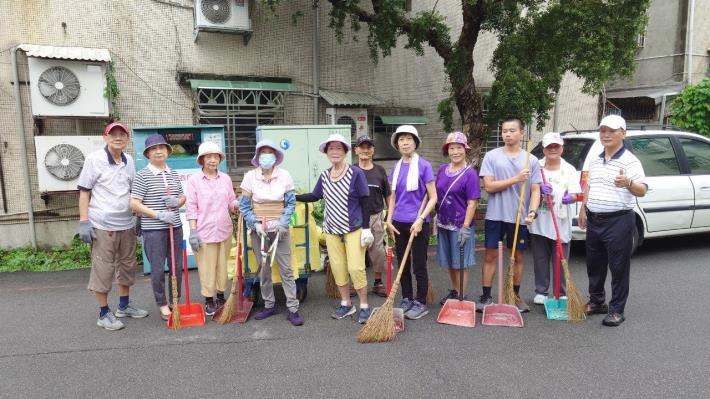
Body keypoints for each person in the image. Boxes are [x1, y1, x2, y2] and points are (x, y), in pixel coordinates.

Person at [296, 134, 373, 324]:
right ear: (326, 152)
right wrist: (293, 197)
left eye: (339, 148)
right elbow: (315, 196)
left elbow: (366, 201)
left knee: (356, 268)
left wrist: (366, 228)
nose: (335, 152)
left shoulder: (356, 173)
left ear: (345, 152)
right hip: (331, 230)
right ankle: (346, 303)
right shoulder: (324, 175)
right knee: (338, 268)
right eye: (332, 149)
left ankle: (364, 305)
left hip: (354, 228)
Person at [578, 115, 647, 327]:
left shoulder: (631, 161)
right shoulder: (596, 159)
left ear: (623, 134)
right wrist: (583, 208)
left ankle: (617, 309)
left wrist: (628, 183)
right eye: (603, 130)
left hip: (619, 221)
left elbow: (642, 190)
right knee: (594, 264)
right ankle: (597, 301)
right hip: (594, 219)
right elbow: (589, 186)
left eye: (612, 130)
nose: (606, 134)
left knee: (618, 267)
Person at [78, 122, 148, 331]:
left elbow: (132, 191)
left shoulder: (128, 161)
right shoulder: (94, 159)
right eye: (113, 134)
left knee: (127, 265)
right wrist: (84, 221)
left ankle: (124, 306)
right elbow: (84, 191)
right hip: (102, 224)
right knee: (103, 267)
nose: (118, 138)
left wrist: (138, 216)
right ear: (105, 137)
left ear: (127, 139)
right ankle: (103, 312)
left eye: (122, 134)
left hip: (126, 223)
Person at [478, 117, 542, 313]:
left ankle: (514, 295)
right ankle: (486, 296)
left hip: (518, 217)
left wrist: (532, 211)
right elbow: (488, 186)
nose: (507, 134)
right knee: (490, 256)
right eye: (504, 130)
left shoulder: (530, 159)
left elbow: (536, 190)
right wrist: (515, 178)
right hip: (495, 216)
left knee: (518, 257)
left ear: (521, 133)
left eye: (512, 130)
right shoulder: (491, 156)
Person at [239, 139, 304, 326]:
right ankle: (269, 305)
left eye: (270, 152)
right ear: (258, 156)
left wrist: (283, 223)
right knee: (264, 269)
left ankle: (293, 308)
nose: (266, 156)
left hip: (280, 228)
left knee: (286, 269)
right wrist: (255, 223)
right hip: (259, 229)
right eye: (263, 152)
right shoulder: (250, 176)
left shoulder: (285, 176)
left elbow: (290, 203)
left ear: (275, 157)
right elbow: (244, 205)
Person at [130, 134, 185, 321]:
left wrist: (177, 201)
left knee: (177, 267)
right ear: (148, 154)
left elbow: (182, 196)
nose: (158, 151)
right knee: (158, 269)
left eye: (161, 147)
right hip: (154, 230)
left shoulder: (173, 173)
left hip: (175, 227)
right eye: (153, 149)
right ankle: (162, 304)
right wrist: (159, 214)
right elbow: (135, 204)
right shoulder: (142, 176)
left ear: (168, 151)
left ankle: (175, 300)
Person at [385, 125, 437, 320]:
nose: (405, 142)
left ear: (415, 142)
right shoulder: (396, 168)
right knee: (403, 264)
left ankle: (421, 301)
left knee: (419, 265)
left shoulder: (424, 166)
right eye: (401, 139)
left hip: (418, 223)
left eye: (408, 139)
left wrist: (422, 219)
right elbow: (393, 197)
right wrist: (389, 220)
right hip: (398, 223)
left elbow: (433, 197)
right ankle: (406, 298)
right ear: (397, 144)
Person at [185, 142, 238, 317]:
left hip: (224, 229)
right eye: (209, 157)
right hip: (204, 231)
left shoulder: (226, 179)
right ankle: (208, 299)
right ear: (202, 160)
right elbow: (191, 207)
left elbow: (231, 201)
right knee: (207, 267)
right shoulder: (194, 181)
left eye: (216, 157)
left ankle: (221, 296)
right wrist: (193, 231)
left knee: (222, 266)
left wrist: (239, 204)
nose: (213, 160)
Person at [529, 132, 581, 305]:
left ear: (561, 148)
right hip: (540, 220)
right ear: (543, 149)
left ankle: (561, 292)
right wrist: (539, 189)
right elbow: (529, 190)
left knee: (560, 258)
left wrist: (569, 198)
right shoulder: (537, 167)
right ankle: (541, 291)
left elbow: (575, 195)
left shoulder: (569, 170)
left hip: (560, 220)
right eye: (549, 146)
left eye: (556, 146)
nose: (552, 149)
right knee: (540, 257)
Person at [434, 132, 481, 304]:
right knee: (449, 260)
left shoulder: (470, 174)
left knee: (460, 263)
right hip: (443, 222)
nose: (455, 152)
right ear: (448, 150)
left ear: (465, 150)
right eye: (452, 148)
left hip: (461, 224)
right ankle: (454, 290)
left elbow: (472, 202)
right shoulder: (441, 170)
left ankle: (462, 293)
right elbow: (434, 194)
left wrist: (466, 226)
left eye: (459, 148)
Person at [352, 135, 391, 297]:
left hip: (375, 215)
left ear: (373, 150)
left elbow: (388, 195)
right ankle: (357, 283)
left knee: (378, 251)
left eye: (369, 147)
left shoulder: (380, 170)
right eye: (362, 147)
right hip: (355, 217)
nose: (365, 150)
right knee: (355, 251)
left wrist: (390, 217)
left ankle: (377, 282)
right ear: (356, 150)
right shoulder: (351, 170)